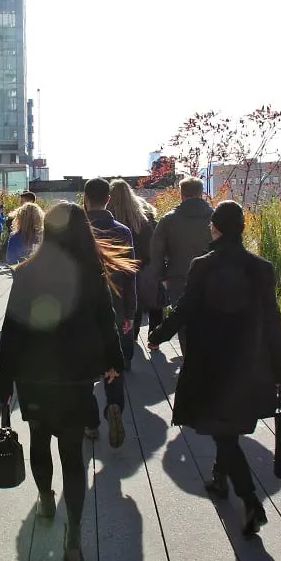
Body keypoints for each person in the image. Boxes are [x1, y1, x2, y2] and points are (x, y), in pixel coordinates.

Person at [0, 202, 133, 561]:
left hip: (33, 376)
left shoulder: (26, 273)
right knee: (73, 457)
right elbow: (106, 322)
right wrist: (114, 362)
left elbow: (12, 330)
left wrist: (4, 380)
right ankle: (73, 533)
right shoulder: (91, 273)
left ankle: (44, 499)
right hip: (75, 378)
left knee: (39, 439)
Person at [148, 200, 281, 537]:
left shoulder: (203, 266)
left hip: (210, 363)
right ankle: (219, 479)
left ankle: (250, 499)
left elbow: (185, 309)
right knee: (230, 426)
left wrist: (158, 334)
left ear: (216, 227)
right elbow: (273, 322)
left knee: (224, 433)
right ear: (242, 227)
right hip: (249, 364)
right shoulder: (261, 268)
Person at [83, 177, 136, 447]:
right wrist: (130, 312)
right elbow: (129, 274)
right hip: (114, 306)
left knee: (83, 369)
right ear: (108, 200)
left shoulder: (77, 230)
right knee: (113, 360)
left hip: (82, 310)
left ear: (86, 198)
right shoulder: (123, 231)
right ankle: (114, 404)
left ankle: (91, 423)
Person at [150, 176, 214, 354]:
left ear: (181, 194)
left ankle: (189, 360)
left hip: (178, 279)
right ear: (201, 193)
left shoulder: (169, 220)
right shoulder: (215, 217)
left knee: (183, 321)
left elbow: (156, 252)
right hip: (212, 278)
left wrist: (162, 277)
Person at [107, 180, 161, 341]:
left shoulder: (110, 215)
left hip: (117, 266)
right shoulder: (144, 213)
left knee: (126, 301)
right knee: (148, 300)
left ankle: (131, 335)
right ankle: (153, 338)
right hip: (143, 264)